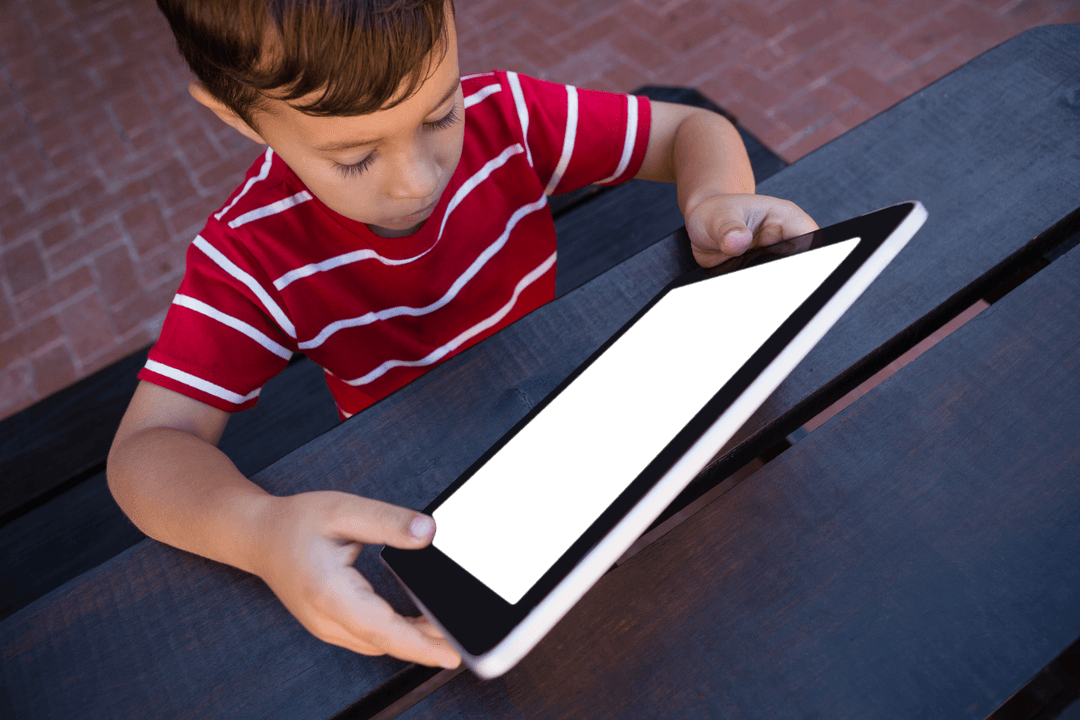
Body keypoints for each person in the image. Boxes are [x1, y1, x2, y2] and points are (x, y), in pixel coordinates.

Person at [107, 0, 818, 671]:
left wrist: (716, 198)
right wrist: (260, 533)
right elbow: (146, 451)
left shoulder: (502, 114)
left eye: (438, 113)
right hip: (434, 507)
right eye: (354, 157)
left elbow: (692, 130)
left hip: (576, 417)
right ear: (238, 114)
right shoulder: (250, 255)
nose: (417, 180)